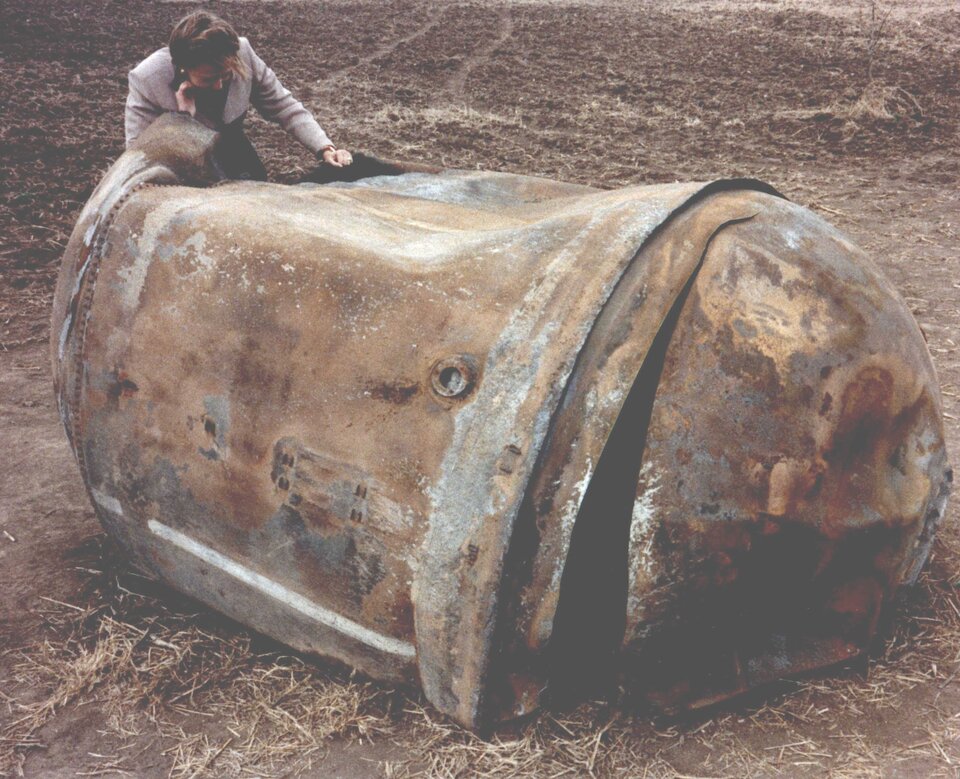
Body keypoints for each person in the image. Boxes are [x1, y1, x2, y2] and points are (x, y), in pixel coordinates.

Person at [125, 10, 352, 179]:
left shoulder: (243, 52)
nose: (218, 86)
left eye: (226, 75)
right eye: (208, 79)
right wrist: (183, 121)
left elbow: (283, 106)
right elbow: (138, 159)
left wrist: (324, 148)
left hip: (233, 148)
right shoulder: (147, 79)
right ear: (182, 66)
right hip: (181, 171)